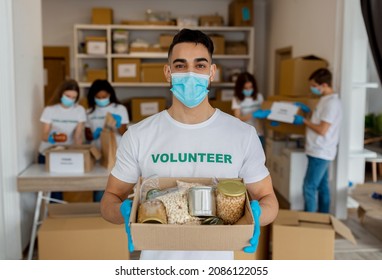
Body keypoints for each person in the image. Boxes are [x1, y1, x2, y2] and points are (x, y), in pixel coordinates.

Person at [100, 28, 278, 260]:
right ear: (168, 72)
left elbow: (268, 200)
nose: (190, 73)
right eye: (181, 65)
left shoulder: (242, 134)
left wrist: (255, 217)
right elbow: (109, 198)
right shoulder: (138, 135)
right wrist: (123, 213)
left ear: (212, 72)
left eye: (200, 65)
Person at [294, 68, 342, 213]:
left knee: (309, 187)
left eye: (314, 86)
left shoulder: (332, 103)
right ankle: (323, 218)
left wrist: (303, 121)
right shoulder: (325, 100)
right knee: (322, 186)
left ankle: (310, 221)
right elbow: (320, 120)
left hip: (321, 151)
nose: (312, 88)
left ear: (325, 85)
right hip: (317, 150)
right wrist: (308, 112)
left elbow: (322, 129)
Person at [38, 79, 86, 200]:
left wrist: (79, 152)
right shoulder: (50, 110)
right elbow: (43, 135)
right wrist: (52, 138)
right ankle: (52, 213)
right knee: (51, 188)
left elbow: (78, 136)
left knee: (60, 186)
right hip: (47, 152)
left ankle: (57, 212)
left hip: (65, 152)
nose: (70, 99)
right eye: (67, 96)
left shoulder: (79, 110)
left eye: (73, 97)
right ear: (61, 94)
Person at [85, 79, 129, 201]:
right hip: (98, 154)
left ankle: (112, 211)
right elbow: (87, 136)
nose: (101, 99)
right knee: (98, 186)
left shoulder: (119, 109)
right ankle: (99, 213)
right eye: (98, 97)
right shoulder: (89, 112)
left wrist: (118, 123)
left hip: (116, 153)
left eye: (104, 96)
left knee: (114, 185)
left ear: (110, 94)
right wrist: (94, 135)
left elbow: (123, 133)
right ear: (93, 97)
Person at [231, 72, 265, 147]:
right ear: (240, 88)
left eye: (251, 87)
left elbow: (264, 111)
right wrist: (252, 114)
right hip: (244, 134)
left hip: (258, 133)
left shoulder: (259, 97)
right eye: (246, 88)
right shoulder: (237, 99)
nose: (249, 90)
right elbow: (237, 118)